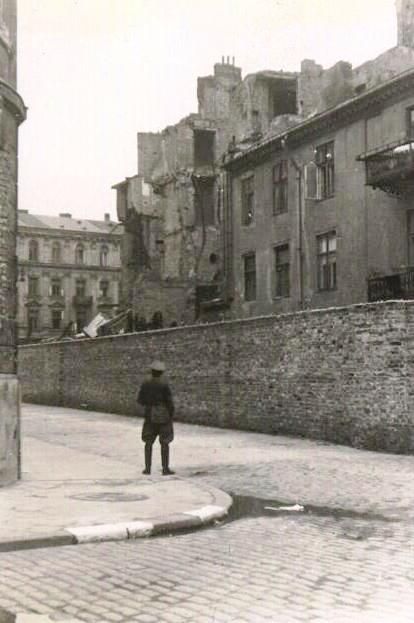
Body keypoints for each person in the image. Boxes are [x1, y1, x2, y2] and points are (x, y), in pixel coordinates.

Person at [137, 360, 175, 475]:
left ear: (152, 371)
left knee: (148, 442)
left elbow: (140, 400)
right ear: (161, 372)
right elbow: (169, 402)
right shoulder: (164, 384)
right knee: (165, 442)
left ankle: (147, 469)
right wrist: (170, 414)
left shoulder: (145, 384)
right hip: (163, 416)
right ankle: (165, 469)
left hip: (149, 416)